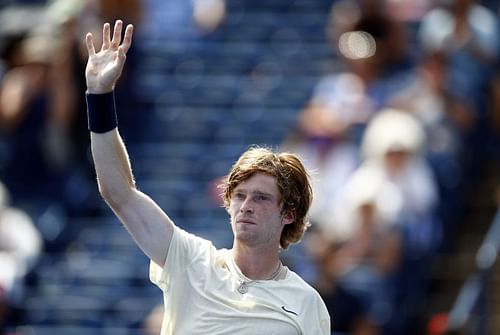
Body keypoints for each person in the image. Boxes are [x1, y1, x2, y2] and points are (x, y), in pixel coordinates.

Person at [84, 20, 330, 334]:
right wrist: (100, 96)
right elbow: (119, 192)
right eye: (239, 195)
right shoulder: (190, 260)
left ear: (290, 213)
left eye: (262, 197)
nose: (246, 205)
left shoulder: (307, 303)